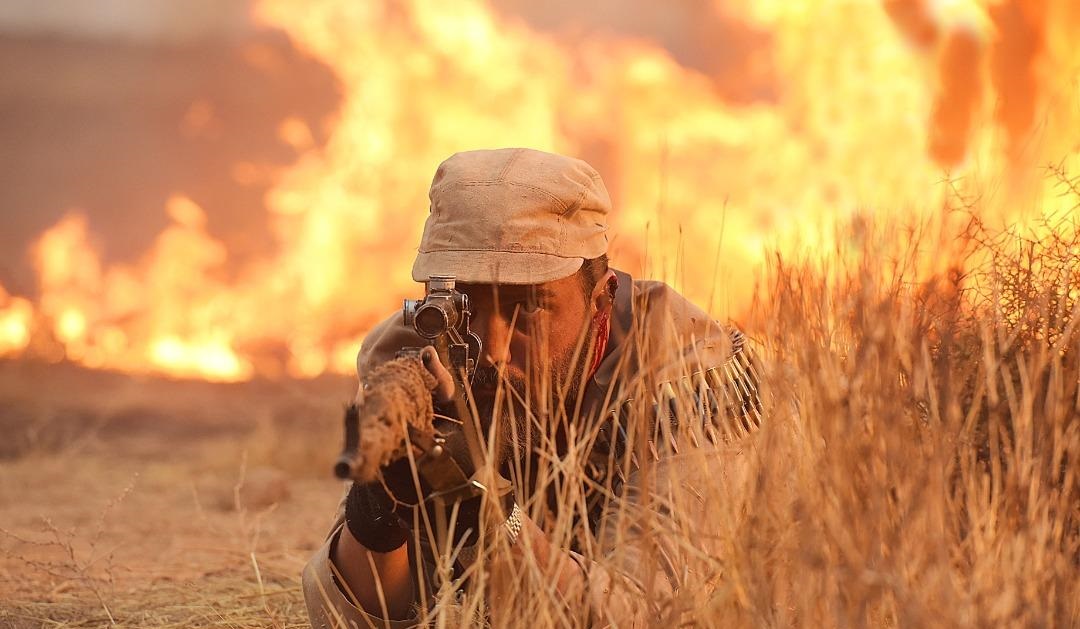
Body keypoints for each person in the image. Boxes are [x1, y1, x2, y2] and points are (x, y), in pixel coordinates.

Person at [303, 148, 764, 627]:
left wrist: (485, 503)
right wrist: (377, 511)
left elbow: (636, 612)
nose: (494, 348)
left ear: (601, 299)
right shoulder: (412, 358)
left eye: (531, 307)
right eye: (465, 306)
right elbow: (347, 617)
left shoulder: (685, 379)